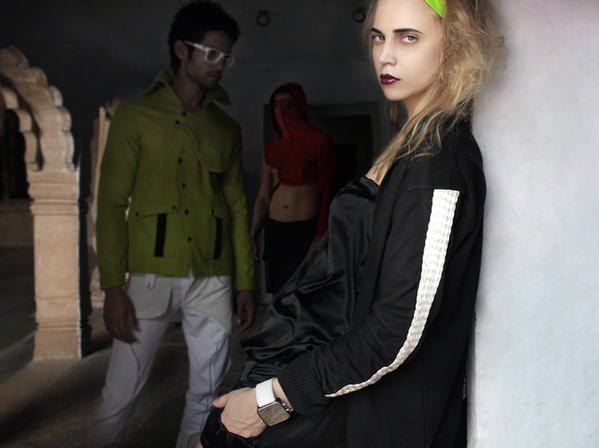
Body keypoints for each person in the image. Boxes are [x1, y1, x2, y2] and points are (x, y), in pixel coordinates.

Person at [197, 0, 500, 447]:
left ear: (455, 45)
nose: (385, 56)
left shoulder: (436, 161)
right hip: (341, 369)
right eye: (378, 37)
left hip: (375, 412)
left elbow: (394, 332)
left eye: (408, 37)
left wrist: (268, 401)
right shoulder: (413, 144)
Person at [89, 2, 256, 447]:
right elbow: (111, 205)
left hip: (213, 276)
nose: (220, 65)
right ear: (182, 50)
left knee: (207, 393)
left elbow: (237, 208)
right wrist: (112, 286)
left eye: (226, 57)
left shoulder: (225, 128)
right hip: (149, 274)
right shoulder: (135, 116)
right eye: (212, 53)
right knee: (119, 394)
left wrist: (245, 282)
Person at [250, 83, 337, 294]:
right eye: (276, 107)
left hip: (306, 230)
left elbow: (330, 190)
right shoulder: (270, 148)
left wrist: (320, 235)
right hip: (275, 231)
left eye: (289, 106)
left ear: (300, 106)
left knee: (308, 293)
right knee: (280, 294)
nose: (282, 113)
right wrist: (252, 235)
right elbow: (263, 196)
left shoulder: (319, 140)